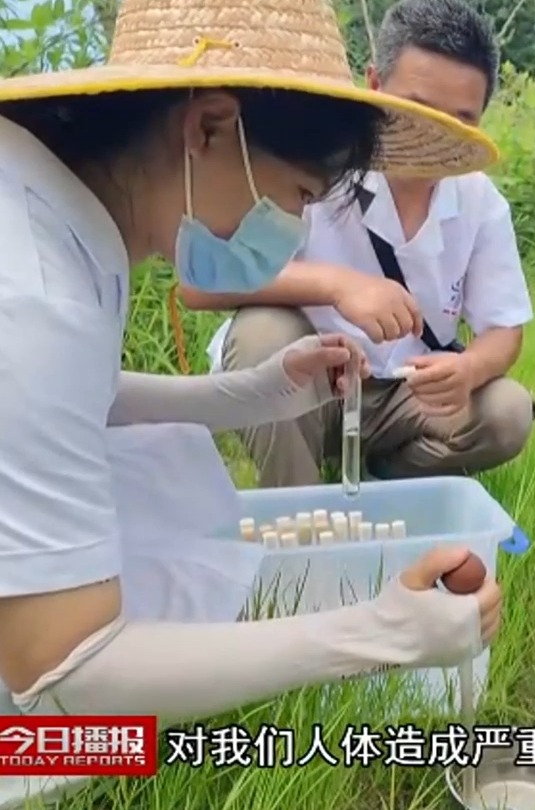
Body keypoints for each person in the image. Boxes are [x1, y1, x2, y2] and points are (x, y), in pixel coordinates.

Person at [0, 0, 504, 785]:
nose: (295, 228)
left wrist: (247, 396)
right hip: (44, 665)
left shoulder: (60, 213)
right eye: (301, 196)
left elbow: (67, 404)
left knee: (180, 570)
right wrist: (376, 634)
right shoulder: (30, 288)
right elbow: (61, 674)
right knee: (93, 742)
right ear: (208, 128)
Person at [181, 0, 535, 487]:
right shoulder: (312, 165)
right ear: (374, 85)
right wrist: (334, 285)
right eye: (417, 109)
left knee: (507, 411)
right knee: (263, 332)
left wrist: (470, 368)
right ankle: (299, 524)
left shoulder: (479, 201)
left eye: (461, 120)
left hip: (403, 395)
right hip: (306, 386)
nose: (435, 134)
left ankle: (384, 481)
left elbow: (504, 329)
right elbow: (199, 285)